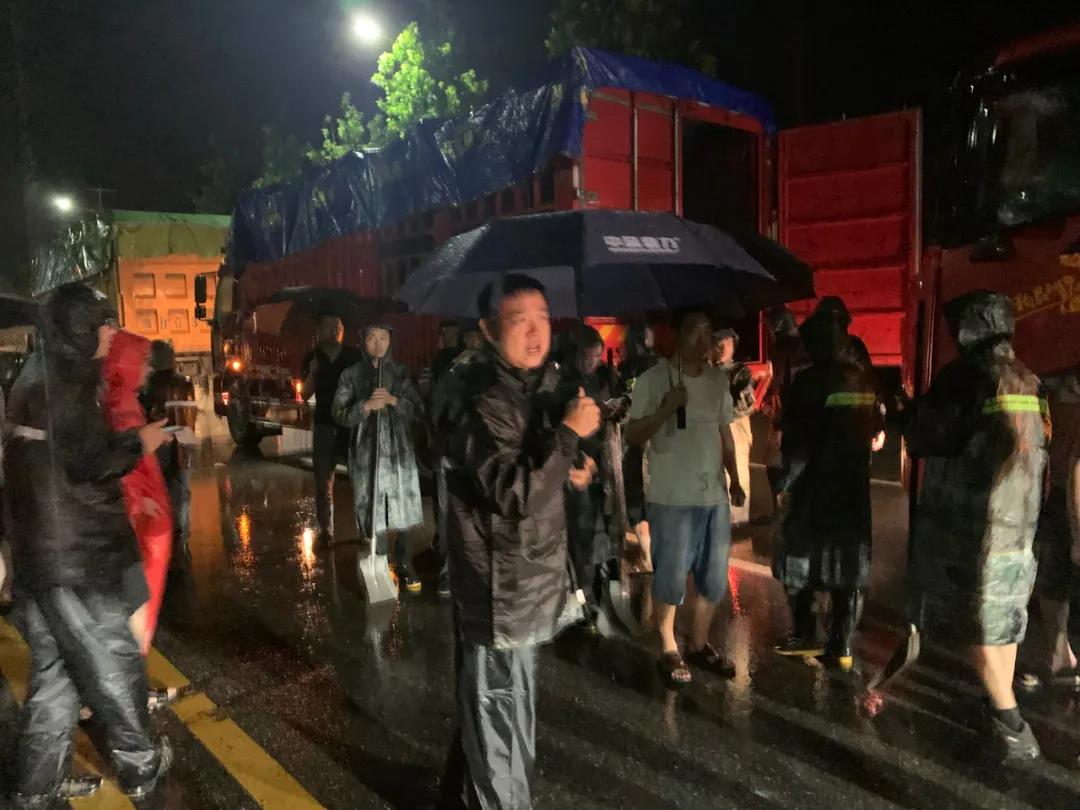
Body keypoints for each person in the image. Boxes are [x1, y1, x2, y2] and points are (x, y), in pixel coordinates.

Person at [5, 284, 171, 806]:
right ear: (79, 329)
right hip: (77, 557)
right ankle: (141, 767)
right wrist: (139, 443)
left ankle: (36, 788)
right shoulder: (66, 382)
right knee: (115, 667)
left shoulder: (38, 375)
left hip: (45, 556)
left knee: (57, 678)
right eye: (102, 323)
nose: (111, 333)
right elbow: (87, 461)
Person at [440, 274, 600, 809]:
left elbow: (540, 468)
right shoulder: (481, 398)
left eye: (543, 319)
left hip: (527, 584)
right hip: (499, 591)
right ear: (488, 330)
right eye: (518, 321)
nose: (535, 333)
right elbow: (513, 492)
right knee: (500, 723)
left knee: (502, 713)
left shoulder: (533, 388)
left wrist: (575, 466)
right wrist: (569, 435)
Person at [902, 290, 1048, 762]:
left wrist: (905, 411)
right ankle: (998, 702)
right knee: (1004, 623)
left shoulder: (967, 376)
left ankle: (1012, 727)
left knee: (978, 626)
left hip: (977, 525)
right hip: (1020, 524)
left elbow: (927, 437)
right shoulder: (1025, 376)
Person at [626, 308, 746, 686]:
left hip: (714, 496)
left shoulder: (717, 381)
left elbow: (725, 434)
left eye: (708, 332)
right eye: (694, 331)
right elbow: (633, 434)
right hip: (672, 497)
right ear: (676, 336)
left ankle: (697, 642)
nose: (703, 340)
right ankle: (668, 645)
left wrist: (735, 478)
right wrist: (666, 409)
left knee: (713, 576)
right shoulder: (653, 380)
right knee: (672, 575)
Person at [771, 311, 880, 671]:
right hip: (852, 489)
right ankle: (841, 646)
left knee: (795, 559)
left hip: (814, 487)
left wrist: (784, 485)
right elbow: (875, 428)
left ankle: (805, 634)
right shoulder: (861, 381)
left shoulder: (808, 382)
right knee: (848, 566)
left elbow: (797, 445)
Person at [333, 323, 425, 591]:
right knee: (374, 509)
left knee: (404, 507)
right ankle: (380, 562)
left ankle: (405, 562)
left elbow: (417, 409)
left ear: (390, 341)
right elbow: (339, 413)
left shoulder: (401, 372)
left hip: (399, 453)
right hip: (367, 452)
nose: (377, 343)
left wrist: (394, 401)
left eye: (383, 337)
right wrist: (366, 406)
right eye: (372, 337)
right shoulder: (351, 375)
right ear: (363, 341)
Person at [102, 329, 174, 655]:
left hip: (145, 519)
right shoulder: (120, 408)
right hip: (140, 526)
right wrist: (138, 501)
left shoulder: (124, 402)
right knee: (137, 607)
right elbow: (120, 468)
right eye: (142, 361)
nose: (148, 368)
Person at [562, 326, 630, 627]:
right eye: (585, 356)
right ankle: (582, 601)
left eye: (595, 356)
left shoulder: (606, 377)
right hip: (580, 469)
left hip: (606, 468)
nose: (590, 362)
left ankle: (606, 595)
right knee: (582, 541)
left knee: (609, 534)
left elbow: (624, 408)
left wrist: (617, 408)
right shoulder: (564, 383)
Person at [1020, 368, 1080, 688]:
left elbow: (1077, 469)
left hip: (1068, 498)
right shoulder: (1055, 384)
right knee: (1051, 580)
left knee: (1055, 579)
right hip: (1058, 496)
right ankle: (1060, 659)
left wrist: (1078, 533)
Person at [430, 321, 485, 598]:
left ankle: (465, 571)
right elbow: (436, 407)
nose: (475, 342)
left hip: (478, 454)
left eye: (478, 337)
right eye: (471, 336)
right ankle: (450, 571)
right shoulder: (451, 367)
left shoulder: (491, 367)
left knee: (465, 512)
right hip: (455, 452)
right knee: (451, 512)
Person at [300, 314, 365, 547]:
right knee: (323, 482)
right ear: (319, 331)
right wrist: (313, 372)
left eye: (338, 326)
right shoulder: (313, 358)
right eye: (329, 326)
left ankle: (364, 530)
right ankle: (326, 532)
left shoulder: (354, 356)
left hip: (351, 428)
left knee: (360, 480)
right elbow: (305, 394)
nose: (335, 330)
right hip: (324, 426)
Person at [141, 339, 196, 569]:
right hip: (185, 442)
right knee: (182, 491)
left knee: (160, 489)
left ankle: (165, 535)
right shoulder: (185, 383)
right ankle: (181, 534)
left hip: (160, 443)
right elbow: (191, 416)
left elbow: (146, 415)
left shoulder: (149, 386)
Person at [619, 324, 659, 569]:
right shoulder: (665, 366)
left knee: (635, 496)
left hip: (634, 442)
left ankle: (646, 554)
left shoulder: (625, 369)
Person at [762, 307, 808, 505]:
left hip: (786, 418)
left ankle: (781, 509)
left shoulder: (782, 348)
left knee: (780, 466)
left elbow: (779, 382)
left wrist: (778, 421)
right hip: (801, 417)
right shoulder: (804, 346)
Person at [712, 328, 756, 528]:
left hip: (735, 426)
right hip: (713, 428)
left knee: (737, 469)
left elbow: (747, 403)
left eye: (727, 344)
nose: (722, 349)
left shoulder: (739, 371)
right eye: (718, 344)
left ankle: (737, 522)